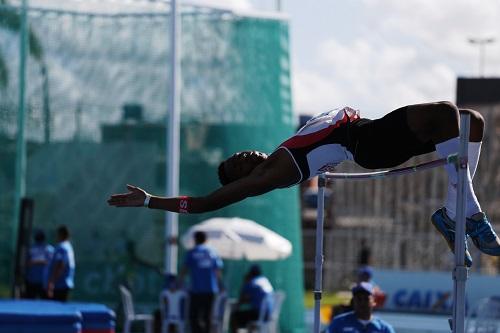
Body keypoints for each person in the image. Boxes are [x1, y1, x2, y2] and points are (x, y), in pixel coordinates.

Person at [108, 102, 500, 266]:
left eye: (238, 154)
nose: (243, 156)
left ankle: (454, 213)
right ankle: (466, 214)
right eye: (237, 164)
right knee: (447, 114)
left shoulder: (279, 151)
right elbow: (205, 204)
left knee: (471, 123)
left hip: (371, 131)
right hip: (369, 143)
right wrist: (149, 202)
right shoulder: (272, 174)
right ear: (246, 181)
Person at [179, 231, 223, 333]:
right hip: (211, 289)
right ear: (206, 240)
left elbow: (184, 269)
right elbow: (218, 271)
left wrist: (179, 282)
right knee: (208, 317)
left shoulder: (192, 252)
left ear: (195, 240)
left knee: (193, 316)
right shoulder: (213, 252)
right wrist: (220, 284)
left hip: (196, 290)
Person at [327, 282, 395, 333]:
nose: (362, 302)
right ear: (353, 301)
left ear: (374, 301)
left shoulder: (384, 328)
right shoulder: (339, 323)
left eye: (366, 299)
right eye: (358, 299)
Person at [230, 264, 274, 333]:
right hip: (269, 314)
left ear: (250, 273)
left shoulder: (252, 282)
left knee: (235, 316)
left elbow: (242, 299)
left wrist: (245, 282)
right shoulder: (265, 280)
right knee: (247, 315)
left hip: (259, 314)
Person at [46, 225, 75, 302]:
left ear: (61, 235)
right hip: (66, 283)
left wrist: (52, 282)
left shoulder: (62, 247)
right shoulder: (68, 246)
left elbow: (60, 265)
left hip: (60, 284)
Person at [24, 229, 54, 299]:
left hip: (40, 282)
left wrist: (35, 262)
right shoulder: (32, 249)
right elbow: (27, 263)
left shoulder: (49, 249)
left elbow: (50, 263)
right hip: (36, 281)